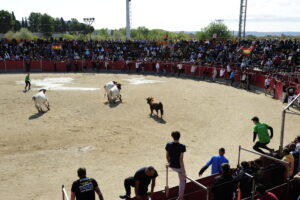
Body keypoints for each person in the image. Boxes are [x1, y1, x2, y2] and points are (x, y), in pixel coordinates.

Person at [166, 131, 186, 200]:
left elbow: (167, 156)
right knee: (183, 181)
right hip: (178, 167)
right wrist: (183, 171)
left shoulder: (168, 144)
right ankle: (180, 197)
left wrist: (169, 163)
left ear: (172, 137)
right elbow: (181, 160)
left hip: (171, 165)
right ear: (179, 137)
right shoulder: (182, 146)